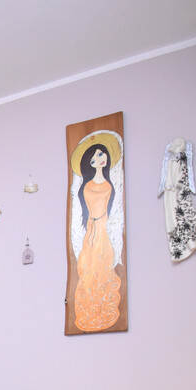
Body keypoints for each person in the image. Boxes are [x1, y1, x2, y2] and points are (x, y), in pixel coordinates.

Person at [72, 138, 122, 331]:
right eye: (94, 158)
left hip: (103, 230)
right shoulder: (86, 186)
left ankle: (103, 310)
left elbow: (108, 210)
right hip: (91, 231)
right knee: (87, 268)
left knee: (103, 268)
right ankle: (88, 310)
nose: (99, 159)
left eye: (101, 154)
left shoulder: (109, 186)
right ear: (89, 163)